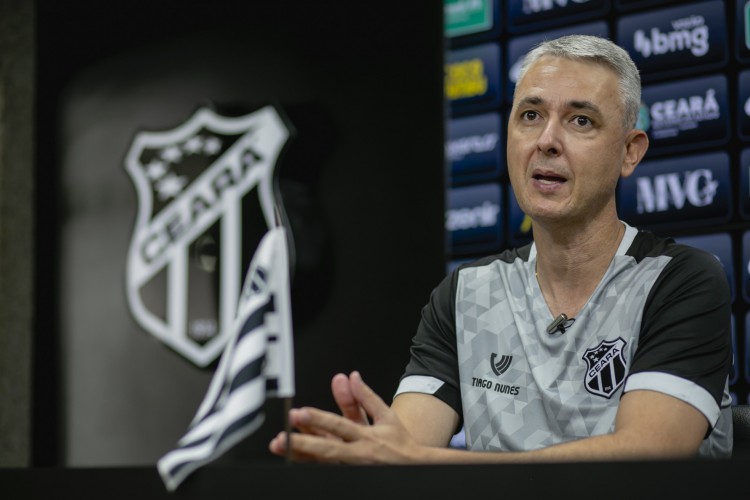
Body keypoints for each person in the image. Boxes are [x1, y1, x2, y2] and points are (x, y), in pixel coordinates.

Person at [269, 34, 733, 463]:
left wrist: (422, 462)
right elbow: (406, 448)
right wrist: (370, 454)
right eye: (530, 116)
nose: (547, 141)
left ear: (630, 151)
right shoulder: (467, 293)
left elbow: (649, 458)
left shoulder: (680, 281)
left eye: (581, 120)